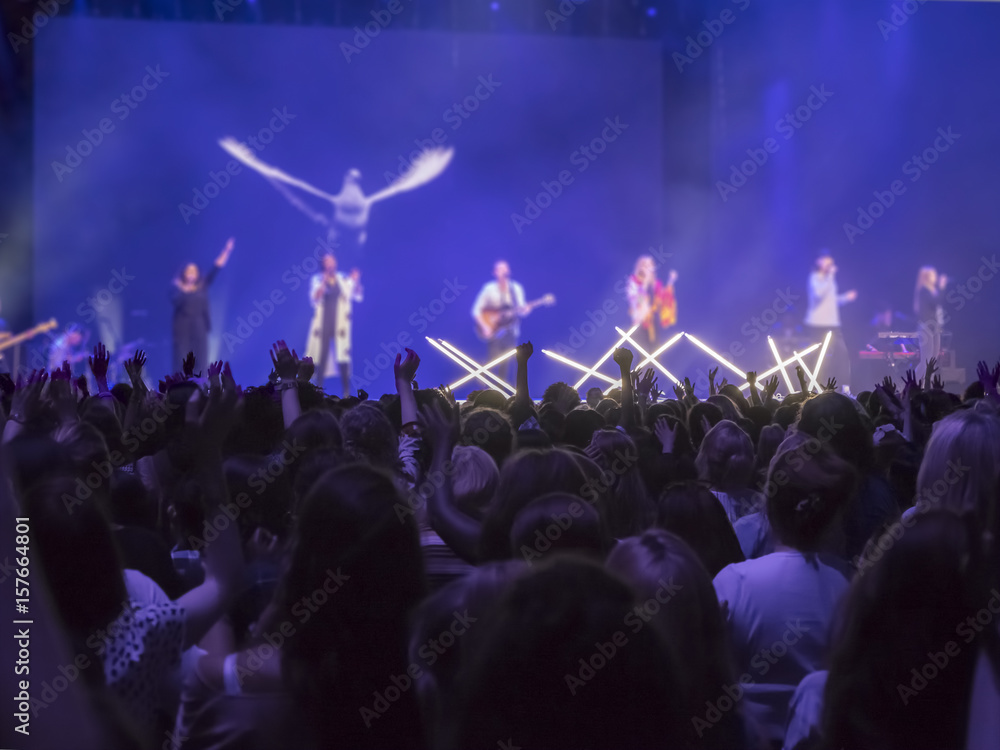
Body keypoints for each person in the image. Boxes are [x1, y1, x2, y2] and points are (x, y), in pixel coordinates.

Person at [218, 137, 453, 266]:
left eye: (355, 178)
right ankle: (338, 256)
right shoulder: (335, 201)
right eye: (350, 177)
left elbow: (408, 184)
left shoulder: (368, 201)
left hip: (356, 238)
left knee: (355, 253)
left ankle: (356, 259)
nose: (353, 180)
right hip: (336, 233)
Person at [171, 237, 234, 370]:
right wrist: (184, 290)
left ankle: (202, 386)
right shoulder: (177, 288)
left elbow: (216, 268)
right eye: (189, 271)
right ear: (184, 273)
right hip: (183, 327)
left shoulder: (202, 285)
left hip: (199, 325)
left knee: (201, 359)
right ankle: (181, 385)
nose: (191, 274)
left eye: (194, 271)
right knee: (183, 360)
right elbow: (174, 301)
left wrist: (226, 250)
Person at [305, 252, 362, 397]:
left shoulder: (342, 278)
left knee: (343, 357)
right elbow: (314, 298)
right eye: (327, 261)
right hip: (323, 323)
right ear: (323, 264)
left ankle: (347, 392)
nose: (330, 264)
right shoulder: (317, 279)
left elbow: (356, 295)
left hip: (339, 324)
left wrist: (356, 281)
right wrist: (324, 281)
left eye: (332, 261)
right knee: (320, 356)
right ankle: (317, 390)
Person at [804, 251, 856, 391]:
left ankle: (845, 387)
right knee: (819, 357)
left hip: (833, 325)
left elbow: (831, 301)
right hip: (818, 325)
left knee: (842, 354)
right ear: (819, 262)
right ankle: (815, 387)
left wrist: (846, 297)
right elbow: (819, 296)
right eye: (827, 261)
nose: (830, 265)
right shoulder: (815, 278)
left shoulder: (828, 280)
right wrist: (831, 276)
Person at [471, 260, 526, 384]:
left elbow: (521, 309)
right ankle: (484, 390)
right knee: (492, 360)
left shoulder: (515, 288)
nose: (503, 272)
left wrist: (525, 309)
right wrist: (485, 326)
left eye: (505, 269)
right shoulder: (489, 289)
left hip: (510, 331)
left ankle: (502, 394)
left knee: (506, 364)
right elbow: (476, 310)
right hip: (494, 332)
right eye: (500, 269)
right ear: (494, 272)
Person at [626, 255, 677, 348]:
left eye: (650, 265)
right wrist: (643, 284)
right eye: (646, 265)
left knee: (655, 349)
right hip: (640, 321)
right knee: (642, 351)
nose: (649, 268)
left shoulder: (656, 284)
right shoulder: (634, 281)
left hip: (653, 322)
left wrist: (671, 280)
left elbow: (663, 298)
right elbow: (635, 299)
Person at [914, 264, 948, 372]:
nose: (936, 276)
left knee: (933, 360)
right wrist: (942, 287)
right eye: (933, 274)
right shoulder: (924, 290)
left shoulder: (933, 290)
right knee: (926, 361)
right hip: (926, 328)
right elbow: (935, 302)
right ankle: (917, 384)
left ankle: (928, 385)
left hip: (934, 328)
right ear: (927, 277)